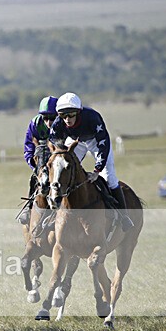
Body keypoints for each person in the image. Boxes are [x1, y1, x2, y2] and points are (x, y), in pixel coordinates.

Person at [49, 92, 134, 232]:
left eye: (71, 114)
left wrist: (96, 171)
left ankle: (123, 216)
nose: (67, 119)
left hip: (95, 141)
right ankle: (53, 213)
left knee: (110, 177)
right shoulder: (58, 123)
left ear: (78, 112)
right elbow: (54, 145)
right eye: (63, 115)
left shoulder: (93, 118)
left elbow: (103, 144)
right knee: (63, 172)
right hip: (76, 142)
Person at [18, 96, 60, 225]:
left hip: (60, 158)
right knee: (34, 179)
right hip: (42, 157)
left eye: (52, 118)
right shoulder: (35, 124)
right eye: (45, 118)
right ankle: (29, 206)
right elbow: (28, 147)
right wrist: (35, 167)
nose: (48, 122)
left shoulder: (64, 123)